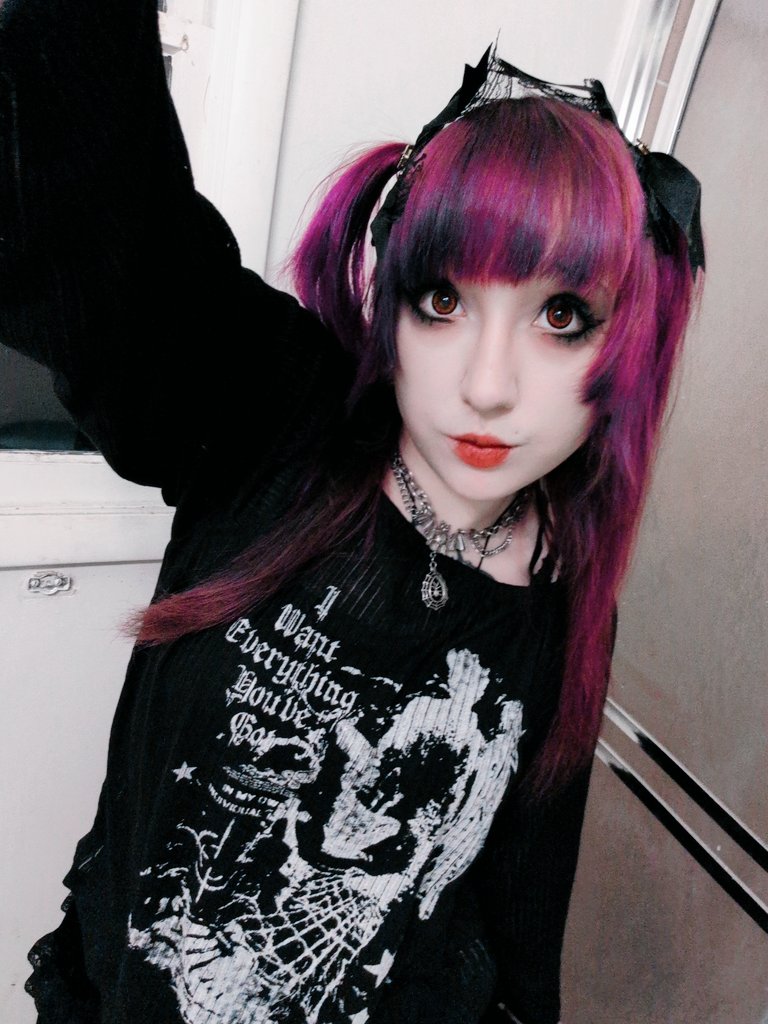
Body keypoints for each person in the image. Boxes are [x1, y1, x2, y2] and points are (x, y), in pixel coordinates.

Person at [0, 2, 703, 1023]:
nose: (488, 386)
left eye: (561, 315)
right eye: (444, 301)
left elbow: (517, 930)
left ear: (627, 345)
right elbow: (91, 224)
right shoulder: (274, 415)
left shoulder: (563, 592)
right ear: (389, 300)